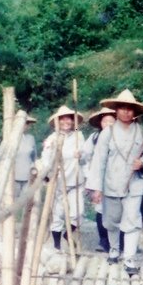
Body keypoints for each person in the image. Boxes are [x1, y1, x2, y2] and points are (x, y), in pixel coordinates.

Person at [86, 89, 143, 276]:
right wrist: (96, 188)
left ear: (135, 112)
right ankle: (114, 249)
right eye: (122, 108)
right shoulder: (107, 134)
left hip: (134, 185)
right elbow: (99, 161)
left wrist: (142, 163)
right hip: (111, 184)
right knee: (112, 221)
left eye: (130, 109)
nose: (126, 112)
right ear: (116, 110)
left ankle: (130, 259)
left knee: (133, 222)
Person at [39, 105, 87, 250]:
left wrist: (81, 155)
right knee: (58, 214)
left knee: (78, 213)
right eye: (62, 119)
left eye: (69, 119)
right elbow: (45, 159)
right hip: (59, 181)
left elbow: (85, 157)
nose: (66, 121)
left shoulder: (79, 135)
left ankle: (68, 234)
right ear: (57, 122)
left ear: (73, 122)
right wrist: (47, 176)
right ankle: (57, 245)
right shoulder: (51, 139)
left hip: (76, 181)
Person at [84, 107, 117, 252]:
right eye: (105, 121)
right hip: (100, 178)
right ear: (100, 123)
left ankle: (118, 242)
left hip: (117, 177)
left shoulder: (121, 136)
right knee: (101, 209)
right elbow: (86, 155)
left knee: (118, 210)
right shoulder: (94, 137)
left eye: (112, 121)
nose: (108, 124)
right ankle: (103, 240)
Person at [14, 114, 38, 198]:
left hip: (28, 175)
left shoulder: (30, 138)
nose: (24, 126)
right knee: (12, 202)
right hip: (14, 176)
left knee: (27, 200)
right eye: (22, 123)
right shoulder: (10, 138)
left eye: (26, 123)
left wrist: (34, 169)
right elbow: (0, 156)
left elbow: (34, 157)